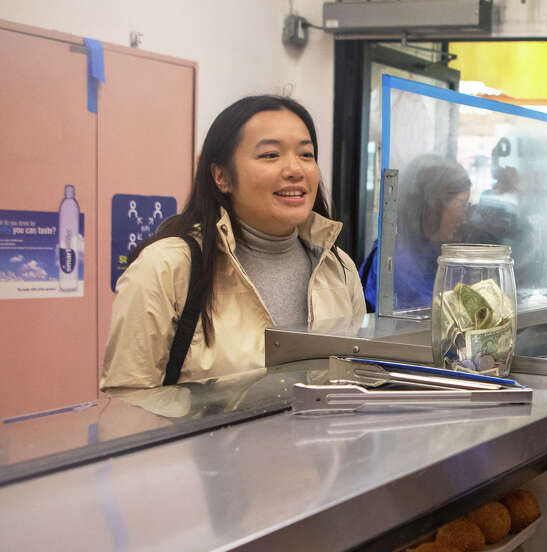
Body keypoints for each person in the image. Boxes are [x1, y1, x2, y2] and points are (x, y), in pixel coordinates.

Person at [101, 96, 365, 389]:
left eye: (306, 154)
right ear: (221, 176)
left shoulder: (337, 267)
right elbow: (127, 402)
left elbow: (356, 380)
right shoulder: (164, 268)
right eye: (270, 155)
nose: (295, 169)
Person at [363, 154, 471, 311]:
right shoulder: (392, 259)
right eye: (461, 205)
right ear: (434, 205)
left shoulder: (439, 255)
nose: (464, 217)